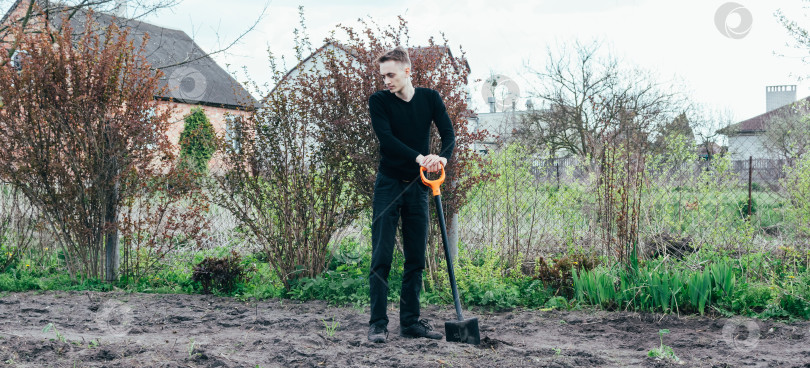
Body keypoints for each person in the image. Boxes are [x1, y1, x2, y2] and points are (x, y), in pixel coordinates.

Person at [366, 45, 455, 343]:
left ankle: (411, 322)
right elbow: (387, 140)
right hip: (389, 184)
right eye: (383, 76)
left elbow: (448, 133)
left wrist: (442, 158)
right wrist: (421, 158)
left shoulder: (430, 98)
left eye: (391, 75)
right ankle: (378, 323)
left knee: (416, 256)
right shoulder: (379, 101)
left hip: (418, 187)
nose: (386, 81)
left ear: (407, 71)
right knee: (381, 256)